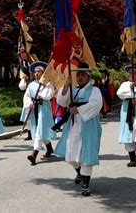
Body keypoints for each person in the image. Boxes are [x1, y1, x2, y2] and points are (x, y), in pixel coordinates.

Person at [54, 62, 102, 196]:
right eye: (78, 75)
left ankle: (85, 185)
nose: (80, 77)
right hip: (73, 125)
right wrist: (65, 86)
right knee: (71, 155)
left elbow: (96, 105)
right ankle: (80, 173)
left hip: (88, 125)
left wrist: (79, 110)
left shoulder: (94, 90)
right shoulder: (73, 89)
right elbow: (62, 102)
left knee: (86, 154)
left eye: (83, 75)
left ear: (88, 76)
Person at [23, 61, 57, 165]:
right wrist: (29, 103)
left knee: (40, 129)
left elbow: (48, 95)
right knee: (40, 129)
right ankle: (49, 148)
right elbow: (27, 96)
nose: (37, 73)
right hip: (34, 110)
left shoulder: (48, 84)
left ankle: (34, 154)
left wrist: (39, 94)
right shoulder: (31, 85)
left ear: (43, 73)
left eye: (39, 72)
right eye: (35, 72)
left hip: (44, 109)